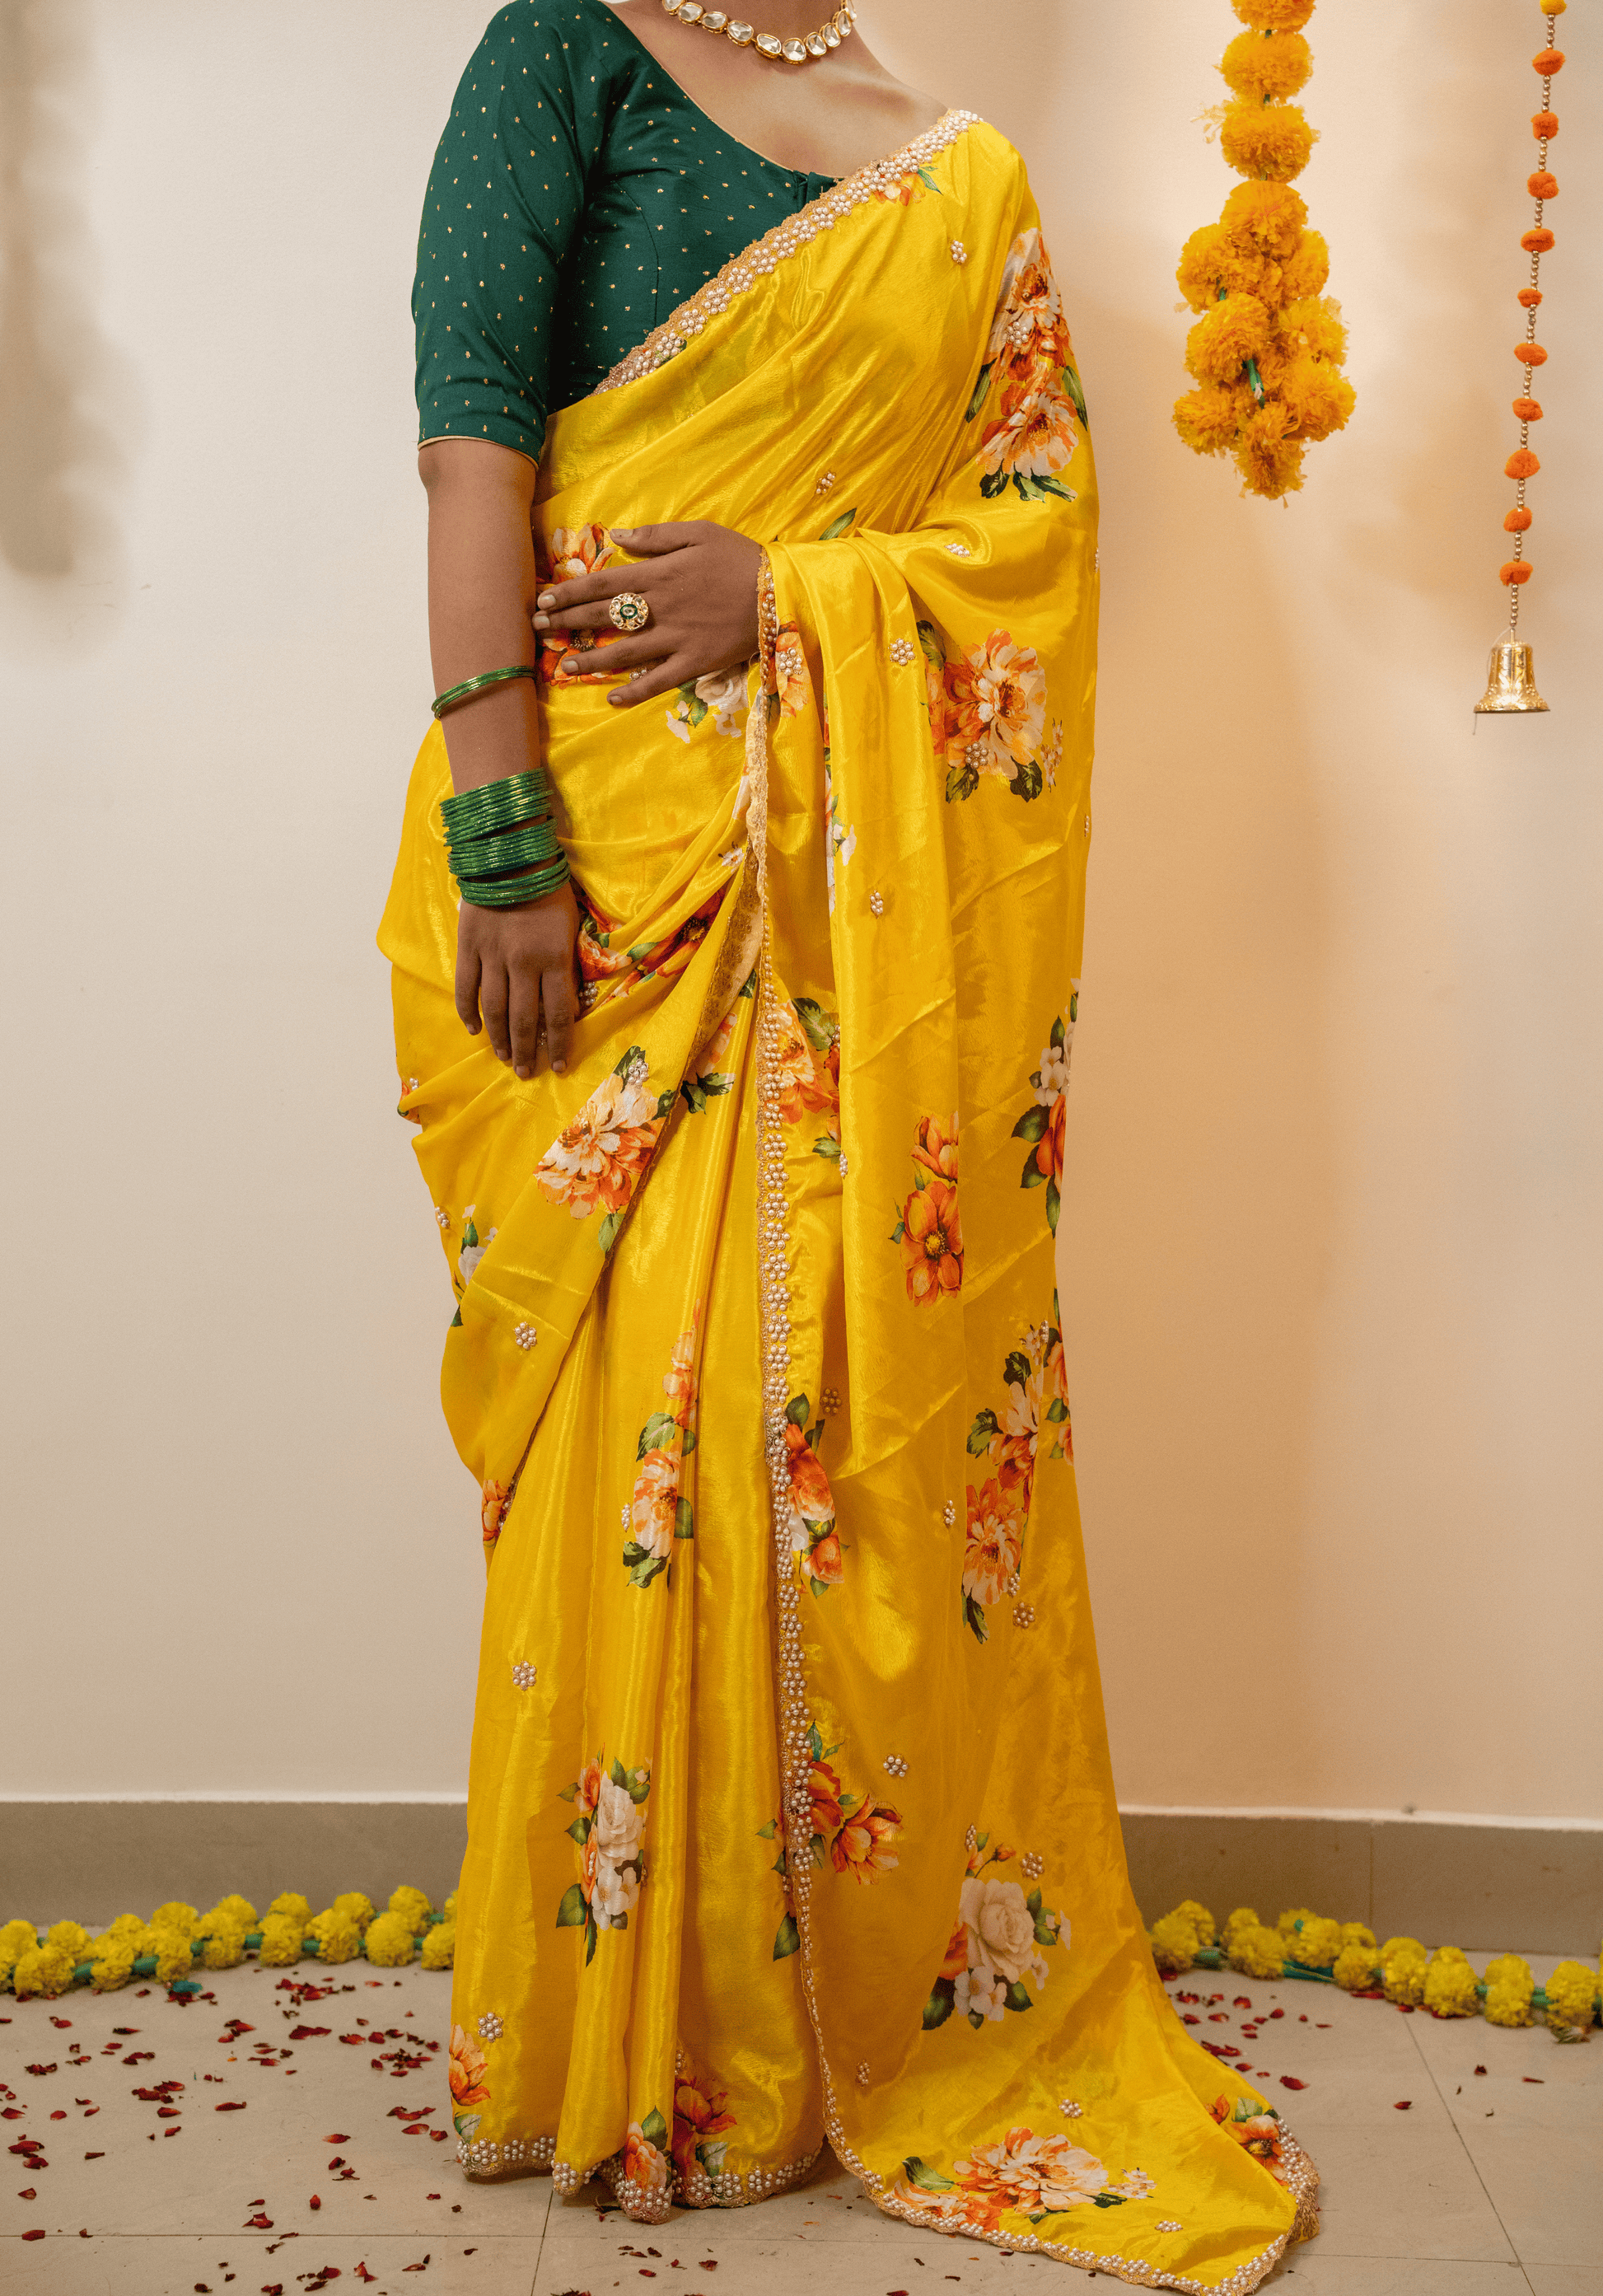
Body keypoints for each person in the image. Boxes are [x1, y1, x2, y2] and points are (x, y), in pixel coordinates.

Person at [380, 3, 1319, 2283]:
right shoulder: (562, 50)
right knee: (635, 1447)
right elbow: (471, 457)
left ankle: (805, 2030)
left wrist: (787, 596)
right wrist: (504, 830)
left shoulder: (953, 169)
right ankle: (640, 2027)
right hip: (615, 880)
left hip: (837, 926)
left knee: (835, 1436)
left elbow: (1037, 535)